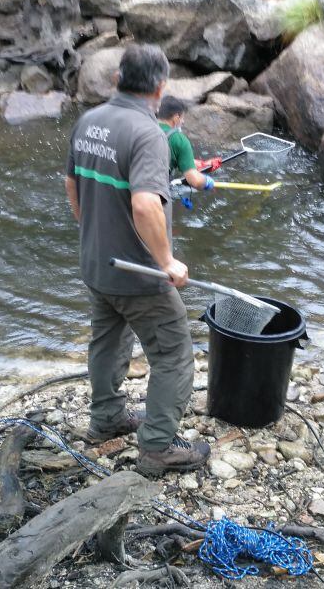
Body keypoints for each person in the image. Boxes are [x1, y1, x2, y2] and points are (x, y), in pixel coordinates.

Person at [65, 43, 210, 477]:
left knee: (107, 340)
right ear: (161, 87)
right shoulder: (148, 134)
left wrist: (91, 228)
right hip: (139, 274)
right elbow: (146, 205)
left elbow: (72, 185)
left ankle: (106, 419)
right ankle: (158, 447)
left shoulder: (88, 120)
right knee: (174, 354)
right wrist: (167, 261)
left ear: (117, 79)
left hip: (96, 262)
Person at [157, 96, 219, 191]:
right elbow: (195, 181)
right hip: (155, 193)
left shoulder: (143, 128)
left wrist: (200, 164)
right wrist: (207, 182)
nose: (183, 122)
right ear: (176, 118)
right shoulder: (179, 139)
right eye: (182, 118)